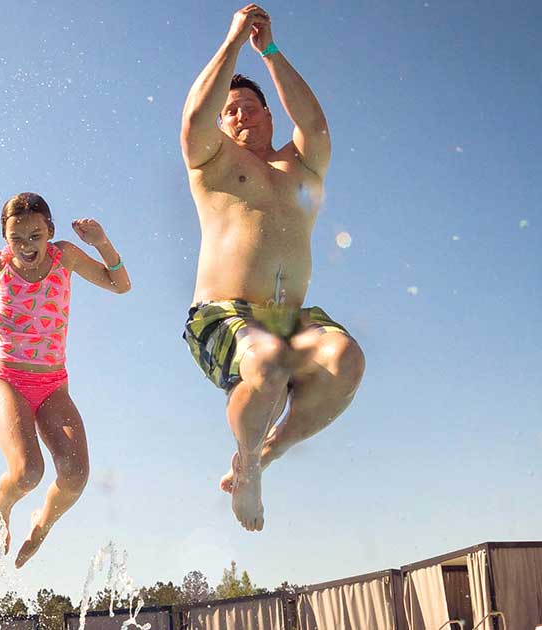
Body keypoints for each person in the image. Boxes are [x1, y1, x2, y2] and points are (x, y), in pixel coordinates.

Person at [179, 3, 366, 531]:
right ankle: (251, 473)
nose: (240, 116)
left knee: (346, 360)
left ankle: (261, 455)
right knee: (266, 363)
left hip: (290, 318)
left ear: (268, 114)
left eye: (249, 107)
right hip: (225, 314)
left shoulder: (300, 166)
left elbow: (316, 123)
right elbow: (195, 120)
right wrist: (235, 40)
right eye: (231, 110)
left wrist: (270, 52)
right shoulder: (212, 163)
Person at [0, 192, 130, 567]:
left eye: (35, 236)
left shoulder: (64, 256)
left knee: (76, 476)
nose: (26, 246)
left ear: (49, 231)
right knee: (27, 473)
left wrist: (101, 243)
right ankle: (0, 503)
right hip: (7, 379)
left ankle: (42, 523)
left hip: (53, 384)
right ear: (5, 238)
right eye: (17, 239)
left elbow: (120, 284)